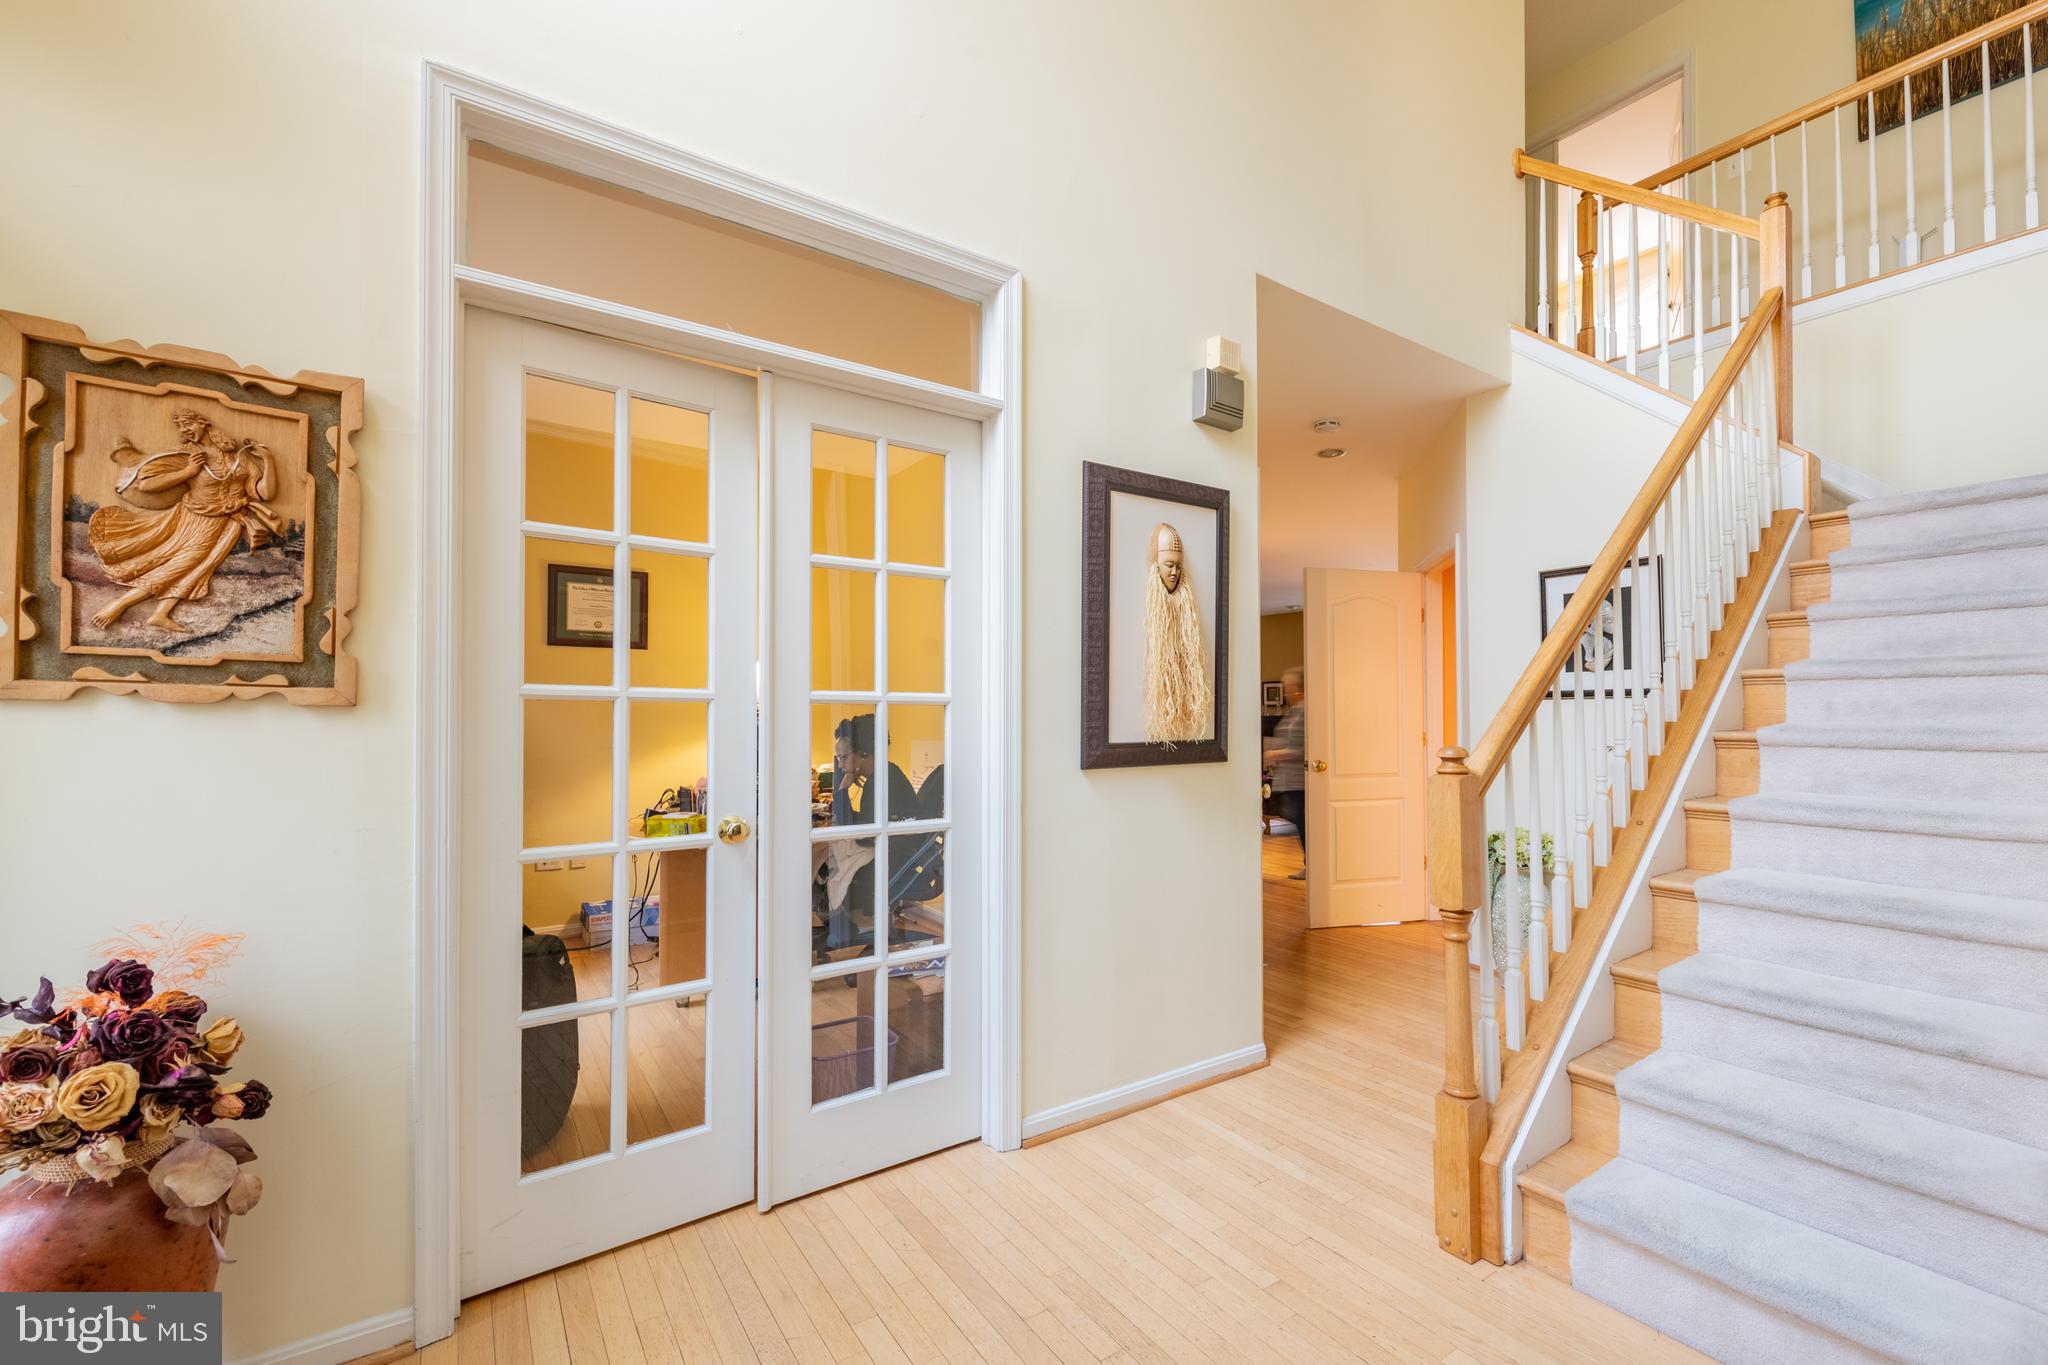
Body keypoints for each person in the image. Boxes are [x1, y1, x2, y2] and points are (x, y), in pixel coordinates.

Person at [87, 409, 282, 633]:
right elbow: (146, 484)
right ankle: (118, 604)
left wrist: (268, 458)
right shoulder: (185, 454)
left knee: (198, 568)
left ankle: (160, 614)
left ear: (203, 422)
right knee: (178, 563)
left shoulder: (239, 457)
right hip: (195, 519)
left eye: (187, 424)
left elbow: (264, 494)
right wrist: (189, 471)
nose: (184, 430)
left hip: (229, 524)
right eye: (180, 427)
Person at [816, 713, 922, 952]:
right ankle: (836, 919)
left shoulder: (882, 782)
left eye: (843, 757)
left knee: (821, 860)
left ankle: (836, 921)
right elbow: (864, 825)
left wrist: (843, 790)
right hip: (891, 851)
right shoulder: (882, 774)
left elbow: (864, 834)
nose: (841, 764)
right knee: (823, 855)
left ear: (863, 753)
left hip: (895, 858)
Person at [1267, 667, 1309, 880]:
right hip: (1288, 779)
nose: (1286, 692)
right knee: (1297, 819)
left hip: (1300, 779)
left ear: (1298, 688)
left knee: (1303, 821)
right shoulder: (1294, 711)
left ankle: (1312, 864)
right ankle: (1310, 863)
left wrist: (1277, 753)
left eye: (1289, 687)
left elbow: (1305, 748)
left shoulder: (1306, 711)